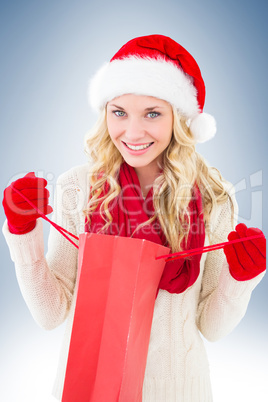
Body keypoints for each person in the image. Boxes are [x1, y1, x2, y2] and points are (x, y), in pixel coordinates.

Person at [2, 34, 266, 401]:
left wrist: (242, 280)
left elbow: (212, 326)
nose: (133, 132)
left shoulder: (214, 199)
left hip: (178, 391)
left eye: (153, 113)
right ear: (105, 112)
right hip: (89, 388)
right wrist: (23, 233)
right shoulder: (78, 188)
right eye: (120, 112)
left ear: (181, 118)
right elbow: (51, 313)